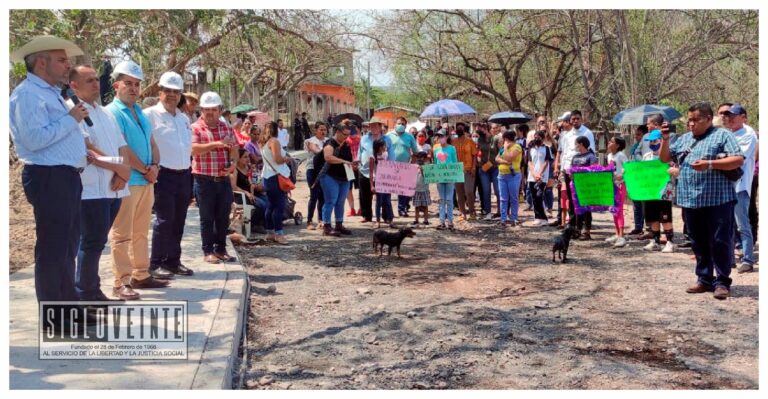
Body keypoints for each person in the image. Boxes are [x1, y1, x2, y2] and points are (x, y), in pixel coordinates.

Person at [10, 36, 91, 330]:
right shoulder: (28, 94)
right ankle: (54, 317)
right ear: (41, 62)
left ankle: (69, 307)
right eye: (61, 59)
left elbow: (62, 132)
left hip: (66, 176)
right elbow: (34, 139)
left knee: (68, 246)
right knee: (53, 248)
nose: (67, 64)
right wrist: (72, 119)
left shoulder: (55, 93)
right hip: (48, 177)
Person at [661, 102, 744, 300]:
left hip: (718, 200)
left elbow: (738, 159)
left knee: (720, 241)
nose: (691, 124)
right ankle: (704, 279)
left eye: (696, 120)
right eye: (689, 120)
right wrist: (665, 139)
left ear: (708, 119)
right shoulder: (684, 139)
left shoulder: (723, 135)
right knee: (698, 242)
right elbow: (665, 158)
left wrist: (709, 164)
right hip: (690, 200)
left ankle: (722, 282)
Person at [67, 65, 132, 301]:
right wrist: (120, 168)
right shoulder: (73, 111)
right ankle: (86, 292)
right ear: (73, 85)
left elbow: (122, 145)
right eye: (89, 80)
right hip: (91, 189)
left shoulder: (105, 113)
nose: (96, 84)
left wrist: (122, 174)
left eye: (96, 79)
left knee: (98, 241)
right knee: (91, 242)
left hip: (114, 189)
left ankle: (91, 289)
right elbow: (88, 148)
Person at [106, 60, 169, 299]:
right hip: (128, 179)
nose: (133, 88)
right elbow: (123, 148)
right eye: (128, 84)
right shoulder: (113, 112)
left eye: (136, 84)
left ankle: (140, 274)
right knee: (122, 233)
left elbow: (152, 142)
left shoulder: (140, 112)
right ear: (116, 86)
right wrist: (145, 169)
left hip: (146, 180)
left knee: (141, 230)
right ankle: (120, 281)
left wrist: (155, 166)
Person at [144, 71, 194, 278]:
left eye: (176, 91)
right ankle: (156, 263)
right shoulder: (149, 115)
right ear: (159, 91)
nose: (172, 95)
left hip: (184, 174)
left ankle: (173, 261)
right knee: (164, 220)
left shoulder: (183, 118)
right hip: (163, 175)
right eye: (168, 90)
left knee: (179, 220)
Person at [191, 91, 240, 261]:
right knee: (207, 217)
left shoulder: (226, 127)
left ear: (220, 110)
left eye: (213, 109)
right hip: (204, 179)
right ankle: (208, 251)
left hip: (223, 179)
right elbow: (193, 149)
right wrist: (217, 144)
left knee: (222, 216)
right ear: (201, 110)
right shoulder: (195, 128)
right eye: (206, 109)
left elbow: (234, 147)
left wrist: (233, 162)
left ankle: (221, 249)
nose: (210, 112)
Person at [722, 104, 757, 273]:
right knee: (726, 224)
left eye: (734, 115)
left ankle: (748, 259)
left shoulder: (748, 135)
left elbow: (736, 158)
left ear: (743, 117)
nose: (730, 118)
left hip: (740, 186)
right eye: (728, 115)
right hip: (725, 186)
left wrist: (720, 157)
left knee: (742, 225)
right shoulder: (727, 134)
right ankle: (729, 259)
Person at [641, 130, 676, 252]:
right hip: (650, 192)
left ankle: (670, 242)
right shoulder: (647, 156)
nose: (652, 143)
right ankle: (655, 241)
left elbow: (674, 171)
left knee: (665, 217)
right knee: (653, 216)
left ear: (661, 140)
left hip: (664, 192)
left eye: (654, 140)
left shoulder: (668, 157)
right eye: (650, 141)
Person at [260, 121, 291, 244]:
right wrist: (287, 159)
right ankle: (279, 233)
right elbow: (278, 159)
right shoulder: (274, 142)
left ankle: (270, 232)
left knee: (271, 205)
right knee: (279, 206)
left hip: (267, 177)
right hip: (276, 177)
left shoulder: (264, 143)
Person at [358, 117, 390, 224]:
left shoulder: (387, 139)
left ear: (380, 127)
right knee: (364, 195)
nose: (373, 128)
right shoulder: (364, 138)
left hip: (383, 172)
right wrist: (358, 162)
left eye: (376, 125)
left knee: (384, 196)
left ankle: (386, 216)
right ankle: (366, 215)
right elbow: (360, 151)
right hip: (365, 170)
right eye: (371, 126)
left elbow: (392, 155)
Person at [230, 148, 269, 234]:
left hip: (251, 192)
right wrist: (246, 193)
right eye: (245, 157)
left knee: (269, 200)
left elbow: (251, 181)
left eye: (248, 157)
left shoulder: (248, 167)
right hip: (241, 195)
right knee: (261, 205)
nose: (248, 159)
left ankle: (265, 223)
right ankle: (254, 225)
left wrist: (255, 185)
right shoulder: (235, 170)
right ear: (239, 159)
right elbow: (234, 187)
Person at [386, 116, 419, 217]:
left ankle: (402, 209)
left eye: (403, 124)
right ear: (395, 124)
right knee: (388, 189)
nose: (401, 125)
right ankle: (388, 210)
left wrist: (412, 163)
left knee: (403, 189)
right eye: (399, 123)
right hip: (390, 166)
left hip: (405, 166)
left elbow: (415, 152)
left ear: (406, 125)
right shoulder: (388, 136)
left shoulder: (409, 137)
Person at [568, 136, 598, 240]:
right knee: (577, 209)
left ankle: (587, 232)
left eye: (576, 143)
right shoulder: (575, 157)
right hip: (576, 187)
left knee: (586, 209)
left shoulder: (591, 156)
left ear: (581, 144)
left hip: (587, 187)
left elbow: (594, 171)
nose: (575, 146)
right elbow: (571, 169)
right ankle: (578, 230)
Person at [495, 130, 524, 227]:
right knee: (503, 198)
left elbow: (509, 158)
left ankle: (514, 218)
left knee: (513, 198)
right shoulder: (503, 147)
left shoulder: (517, 147)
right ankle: (503, 219)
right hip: (502, 175)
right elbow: (497, 159)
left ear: (506, 138)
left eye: (504, 139)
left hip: (513, 175)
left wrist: (507, 149)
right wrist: (505, 162)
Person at [605, 136, 629, 248]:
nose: (609, 143)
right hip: (612, 185)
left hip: (620, 185)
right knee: (613, 209)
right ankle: (616, 233)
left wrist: (621, 176)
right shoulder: (609, 156)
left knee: (618, 209)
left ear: (618, 145)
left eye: (612, 141)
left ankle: (621, 236)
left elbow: (628, 167)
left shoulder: (621, 155)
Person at [452, 122, 478, 221]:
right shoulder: (453, 142)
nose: (459, 129)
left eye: (461, 128)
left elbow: (474, 155)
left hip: (468, 169)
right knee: (459, 193)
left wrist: (474, 168)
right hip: (457, 171)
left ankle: (472, 211)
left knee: (469, 192)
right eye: (457, 128)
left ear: (464, 129)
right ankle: (462, 212)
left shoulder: (470, 141)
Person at [433, 130, 458, 231]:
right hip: (439, 177)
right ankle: (442, 221)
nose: (441, 138)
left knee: (449, 199)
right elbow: (435, 164)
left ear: (447, 136)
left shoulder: (452, 148)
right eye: (439, 136)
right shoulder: (436, 150)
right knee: (441, 199)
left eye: (442, 136)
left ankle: (451, 221)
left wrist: (455, 175)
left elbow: (455, 162)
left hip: (450, 176)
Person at [304, 121, 328, 229]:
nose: (323, 132)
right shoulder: (310, 141)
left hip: (325, 170)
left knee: (322, 196)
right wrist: (329, 153)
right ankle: (309, 221)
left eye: (325, 129)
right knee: (314, 195)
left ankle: (321, 219)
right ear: (316, 130)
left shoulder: (328, 141)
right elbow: (317, 151)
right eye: (321, 129)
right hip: (312, 170)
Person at [527, 130, 551, 226]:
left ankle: (543, 217)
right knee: (534, 197)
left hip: (542, 177)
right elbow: (529, 162)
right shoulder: (530, 148)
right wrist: (534, 174)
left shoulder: (546, 149)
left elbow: (546, 162)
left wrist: (539, 174)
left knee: (539, 196)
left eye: (539, 137)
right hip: (532, 177)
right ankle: (538, 217)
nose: (536, 138)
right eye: (535, 136)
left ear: (543, 138)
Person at [628, 125, 649, 235]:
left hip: (644, 178)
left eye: (639, 134)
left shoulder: (650, 146)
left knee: (645, 203)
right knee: (636, 203)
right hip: (634, 177)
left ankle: (648, 227)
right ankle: (638, 226)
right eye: (636, 134)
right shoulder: (634, 147)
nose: (636, 137)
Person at [370, 138, 396, 229]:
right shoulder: (372, 157)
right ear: (378, 147)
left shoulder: (386, 155)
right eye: (383, 146)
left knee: (388, 201)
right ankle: (377, 221)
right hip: (377, 181)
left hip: (386, 180)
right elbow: (370, 172)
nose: (385, 147)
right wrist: (372, 185)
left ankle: (390, 220)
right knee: (379, 202)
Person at [476, 123, 498, 220]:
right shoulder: (479, 139)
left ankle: (501, 212)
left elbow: (500, 152)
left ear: (488, 129)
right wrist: (478, 157)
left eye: (483, 129)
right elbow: (478, 151)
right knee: (486, 191)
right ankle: (488, 212)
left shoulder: (496, 139)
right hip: (484, 168)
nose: (481, 131)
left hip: (495, 167)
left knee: (498, 191)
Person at [345, 119, 362, 216]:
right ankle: (352, 209)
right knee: (348, 188)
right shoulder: (345, 140)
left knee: (362, 188)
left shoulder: (363, 140)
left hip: (360, 167)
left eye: (353, 128)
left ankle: (361, 208)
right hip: (348, 167)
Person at [411, 151, 432, 225]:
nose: (420, 159)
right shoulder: (414, 166)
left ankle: (426, 220)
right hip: (416, 189)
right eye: (418, 158)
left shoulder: (428, 166)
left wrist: (422, 169)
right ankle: (416, 219)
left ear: (425, 158)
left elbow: (428, 177)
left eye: (422, 158)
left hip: (424, 189)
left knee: (425, 206)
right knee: (417, 206)